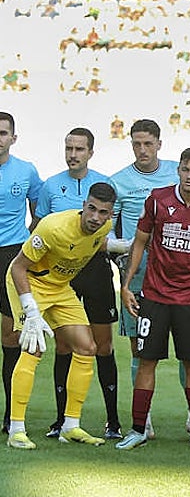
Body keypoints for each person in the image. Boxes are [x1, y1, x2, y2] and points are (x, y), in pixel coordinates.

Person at [115, 148, 190, 452]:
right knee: (146, 361)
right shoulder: (158, 199)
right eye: (185, 170)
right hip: (154, 296)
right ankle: (138, 429)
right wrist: (126, 286)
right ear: (177, 170)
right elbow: (139, 243)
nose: (189, 176)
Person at [5, 183, 116, 450]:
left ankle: (70, 426)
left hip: (60, 288)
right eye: (91, 209)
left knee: (88, 348)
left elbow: (96, 245)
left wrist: (125, 246)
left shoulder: (103, 228)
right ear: (83, 206)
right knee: (33, 348)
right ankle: (16, 429)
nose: (95, 218)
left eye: (103, 212)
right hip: (28, 284)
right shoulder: (52, 228)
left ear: (110, 214)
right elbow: (19, 267)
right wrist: (30, 310)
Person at [33, 128, 120, 440]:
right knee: (65, 344)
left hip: (95, 271)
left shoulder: (105, 185)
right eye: (68, 148)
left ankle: (113, 422)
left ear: (90, 153)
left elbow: (109, 231)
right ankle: (61, 421)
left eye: (79, 149)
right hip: (61, 275)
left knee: (103, 345)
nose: (73, 154)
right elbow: (39, 227)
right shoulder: (49, 186)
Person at [108, 118, 179, 435]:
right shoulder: (118, 181)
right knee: (140, 347)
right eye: (136, 143)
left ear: (159, 144)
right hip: (137, 275)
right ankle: (143, 419)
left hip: (179, 273)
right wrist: (136, 244)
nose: (142, 149)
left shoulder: (179, 172)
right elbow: (106, 235)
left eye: (148, 143)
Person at [0, 112, 43, 435]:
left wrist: (26, 246)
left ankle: (10, 415)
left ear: (13, 137)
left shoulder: (26, 171)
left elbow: (39, 213)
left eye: (3, 133)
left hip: (10, 255)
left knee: (10, 335)